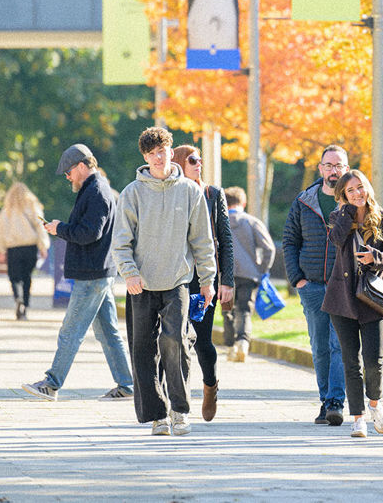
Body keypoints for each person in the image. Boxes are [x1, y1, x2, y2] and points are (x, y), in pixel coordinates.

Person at [113, 127, 217, 436]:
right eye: (153, 153)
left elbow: (202, 240)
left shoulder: (189, 191)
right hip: (141, 283)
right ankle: (156, 415)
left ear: (172, 152)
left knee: (176, 342)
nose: (160, 158)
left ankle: (180, 410)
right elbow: (121, 241)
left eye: (164, 151)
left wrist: (208, 279)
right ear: (145, 157)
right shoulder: (132, 192)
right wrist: (129, 272)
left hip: (177, 281)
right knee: (143, 349)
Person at [22, 143, 135, 402]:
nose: (67, 177)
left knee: (71, 330)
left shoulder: (96, 192)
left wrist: (61, 228)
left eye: (69, 172)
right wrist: (60, 228)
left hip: (92, 273)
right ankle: (127, 385)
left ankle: (51, 384)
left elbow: (89, 233)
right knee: (107, 332)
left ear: (82, 166)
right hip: (99, 271)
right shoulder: (96, 189)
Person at [323, 170, 383, 439]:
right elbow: (336, 240)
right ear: (343, 195)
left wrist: (373, 257)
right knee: (350, 361)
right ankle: (358, 418)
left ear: (368, 188)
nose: (357, 194)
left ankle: (375, 404)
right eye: (350, 191)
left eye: (360, 188)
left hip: (372, 299)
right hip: (341, 299)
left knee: (374, 360)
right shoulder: (337, 217)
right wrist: (347, 212)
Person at [282, 145, 349, 426]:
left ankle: (336, 402)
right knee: (320, 346)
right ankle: (325, 401)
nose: (334, 171)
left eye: (339, 166)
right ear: (320, 168)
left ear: (346, 169)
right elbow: (289, 240)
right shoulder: (304, 201)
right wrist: (298, 279)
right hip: (312, 287)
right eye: (329, 165)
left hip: (344, 287)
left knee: (339, 345)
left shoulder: (356, 200)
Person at [171, 144, 235, 422]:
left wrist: (227, 281)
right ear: (179, 164)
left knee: (202, 342)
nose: (199, 164)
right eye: (193, 160)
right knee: (173, 340)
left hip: (203, 281)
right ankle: (178, 399)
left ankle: (210, 385)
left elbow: (226, 240)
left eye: (200, 159)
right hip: (173, 278)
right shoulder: (169, 193)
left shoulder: (212, 194)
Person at [225, 185, 275, 362]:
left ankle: (230, 346)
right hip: (249, 274)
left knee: (227, 310)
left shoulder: (217, 223)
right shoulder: (252, 222)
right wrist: (261, 269)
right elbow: (269, 248)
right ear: (243, 202)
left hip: (225, 275)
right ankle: (243, 343)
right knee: (244, 309)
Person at [0, 181, 50, 320]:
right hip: (30, 247)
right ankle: (25, 304)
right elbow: (40, 226)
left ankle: (18, 298)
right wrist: (43, 246)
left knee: (14, 277)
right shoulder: (32, 206)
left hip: (13, 249)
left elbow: (0, 230)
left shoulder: (6, 210)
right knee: (27, 277)